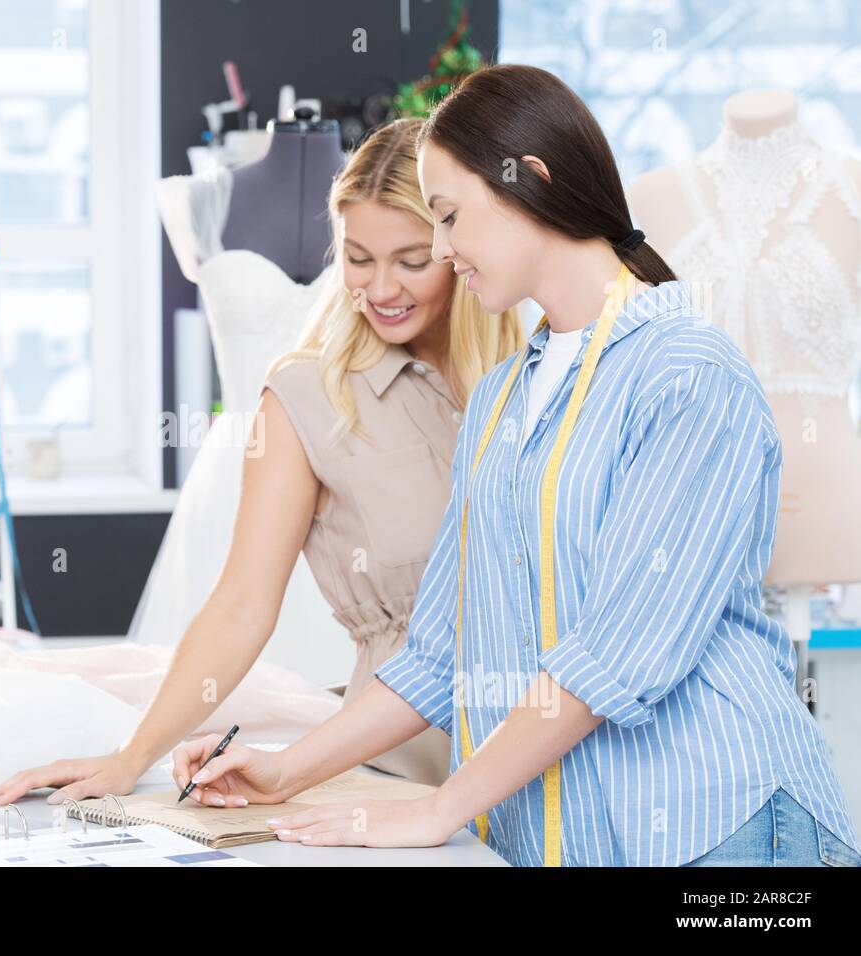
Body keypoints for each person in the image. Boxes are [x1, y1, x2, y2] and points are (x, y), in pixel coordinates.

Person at [170, 64, 861, 868]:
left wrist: (442, 807)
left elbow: (617, 653)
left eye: (450, 217)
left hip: (732, 833)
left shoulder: (689, 375)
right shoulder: (501, 401)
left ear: (530, 181)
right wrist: (286, 771)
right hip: (566, 842)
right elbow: (437, 654)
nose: (441, 249)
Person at [0, 118, 522, 807]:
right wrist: (129, 759)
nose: (381, 288)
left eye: (412, 261)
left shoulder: (528, 372)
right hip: (403, 767)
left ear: (457, 246)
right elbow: (241, 604)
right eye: (357, 259)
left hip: (548, 747)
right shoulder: (306, 399)